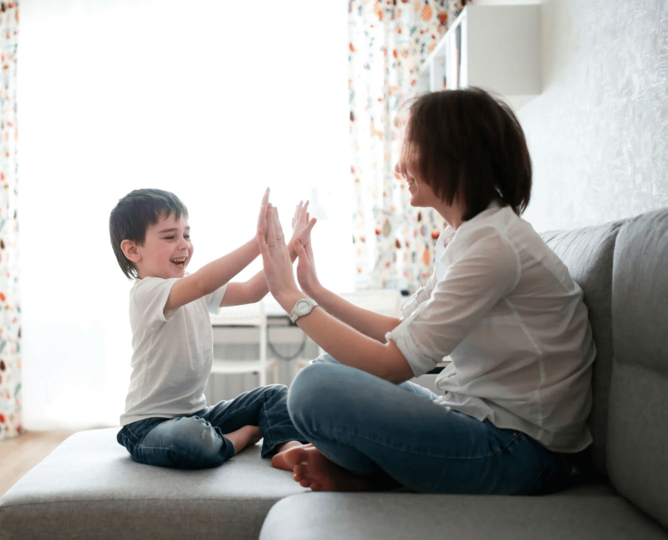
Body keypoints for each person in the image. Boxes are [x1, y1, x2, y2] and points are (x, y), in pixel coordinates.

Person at [259, 87, 595, 494]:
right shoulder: (466, 235)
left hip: (522, 451)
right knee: (329, 367)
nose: (399, 167)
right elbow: (402, 328)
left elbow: (392, 364)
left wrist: (291, 298)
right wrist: (315, 290)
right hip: (476, 417)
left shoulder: (493, 246)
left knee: (314, 391)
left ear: (454, 154)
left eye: (410, 146)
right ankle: (370, 472)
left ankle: (371, 474)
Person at [109, 188, 315, 469]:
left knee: (275, 394)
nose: (184, 244)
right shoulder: (146, 293)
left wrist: (289, 246)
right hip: (148, 426)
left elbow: (252, 291)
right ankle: (243, 436)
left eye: (186, 234)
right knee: (191, 440)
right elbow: (201, 284)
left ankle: (290, 448)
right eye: (170, 236)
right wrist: (259, 242)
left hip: (198, 415)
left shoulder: (192, 286)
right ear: (133, 249)